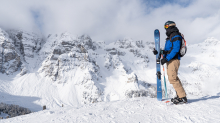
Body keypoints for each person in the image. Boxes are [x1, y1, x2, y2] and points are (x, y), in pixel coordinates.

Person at [153, 21, 187, 104]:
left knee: (172, 78)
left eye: (166, 26)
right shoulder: (170, 37)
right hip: (171, 60)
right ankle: (180, 95)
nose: (165, 28)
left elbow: (175, 49)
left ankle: (182, 97)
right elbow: (168, 50)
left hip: (173, 60)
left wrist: (166, 59)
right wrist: (159, 52)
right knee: (174, 78)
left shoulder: (175, 35)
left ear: (170, 26)